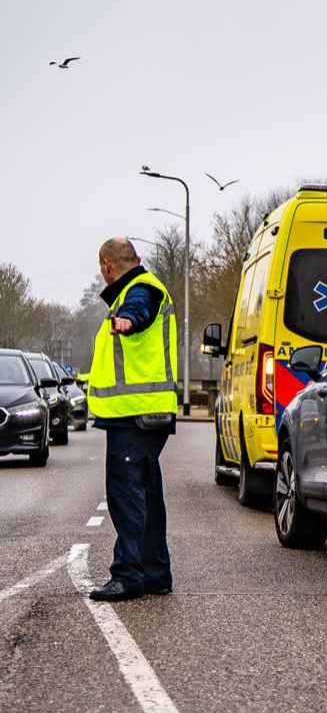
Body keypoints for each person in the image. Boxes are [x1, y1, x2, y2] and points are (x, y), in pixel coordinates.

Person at [86, 238, 181, 602]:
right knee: (147, 494)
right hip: (144, 413)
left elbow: (139, 312)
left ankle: (128, 575)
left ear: (107, 266)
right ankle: (156, 573)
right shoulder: (140, 289)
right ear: (136, 259)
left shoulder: (139, 291)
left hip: (136, 416)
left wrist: (126, 321)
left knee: (126, 496)